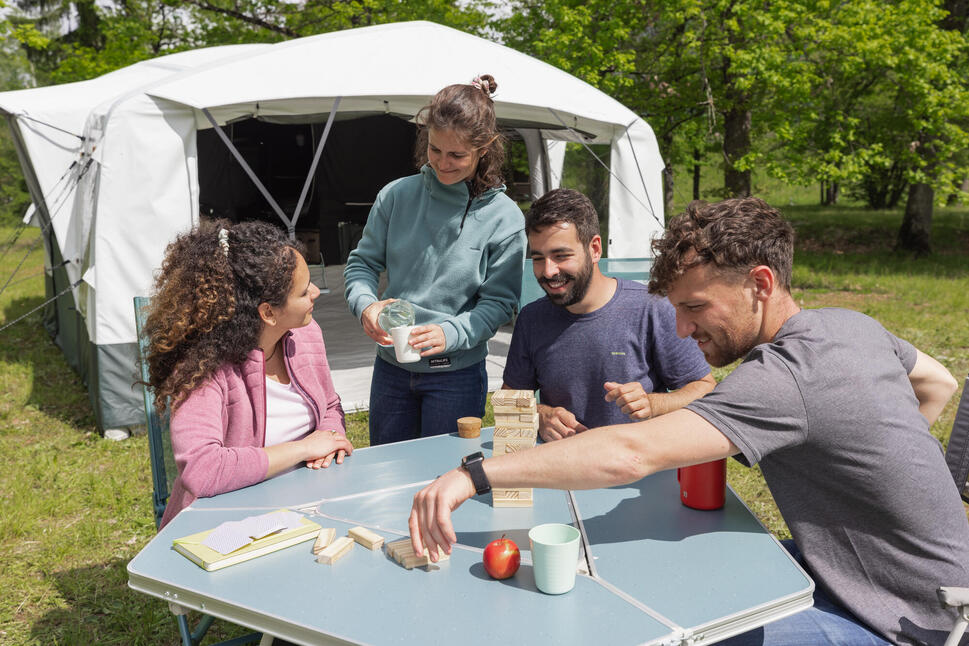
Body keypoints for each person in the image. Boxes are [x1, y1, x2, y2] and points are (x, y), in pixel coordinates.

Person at [409, 197, 969, 646]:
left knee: (690, 628)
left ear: (762, 283)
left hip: (911, 622)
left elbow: (631, 454)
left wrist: (474, 476)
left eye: (696, 307)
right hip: (915, 581)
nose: (679, 330)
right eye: (675, 308)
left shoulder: (784, 377)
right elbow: (938, 383)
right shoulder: (849, 324)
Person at [344, 74, 525, 446]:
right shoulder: (395, 196)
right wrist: (365, 305)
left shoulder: (505, 218)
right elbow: (361, 265)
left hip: (456, 375)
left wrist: (451, 333)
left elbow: (500, 303)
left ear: (485, 148)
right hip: (391, 371)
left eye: (457, 155)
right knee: (388, 478)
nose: (443, 163)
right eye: (435, 150)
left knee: (446, 480)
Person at [144, 220, 353, 529]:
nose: (316, 292)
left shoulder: (306, 335)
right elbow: (203, 469)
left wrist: (330, 438)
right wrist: (306, 448)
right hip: (228, 523)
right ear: (268, 312)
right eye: (303, 291)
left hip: (312, 504)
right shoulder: (204, 368)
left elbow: (330, 406)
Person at [502, 188, 715, 440]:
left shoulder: (652, 307)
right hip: (561, 468)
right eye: (538, 258)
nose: (548, 271)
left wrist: (653, 404)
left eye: (561, 255)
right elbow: (508, 403)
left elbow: (704, 389)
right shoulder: (531, 318)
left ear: (594, 249)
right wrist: (538, 415)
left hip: (640, 468)